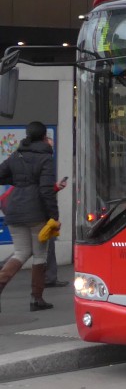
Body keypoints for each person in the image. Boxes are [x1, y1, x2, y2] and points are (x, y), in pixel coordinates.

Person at [0, 121, 61, 311]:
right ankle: (37, 299)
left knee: (21, 252)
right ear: (44, 137)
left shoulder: (16, 155)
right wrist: (54, 216)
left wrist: (20, 181)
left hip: (15, 208)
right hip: (36, 211)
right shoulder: (45, 158)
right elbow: (46, 190)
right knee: (39, 255)